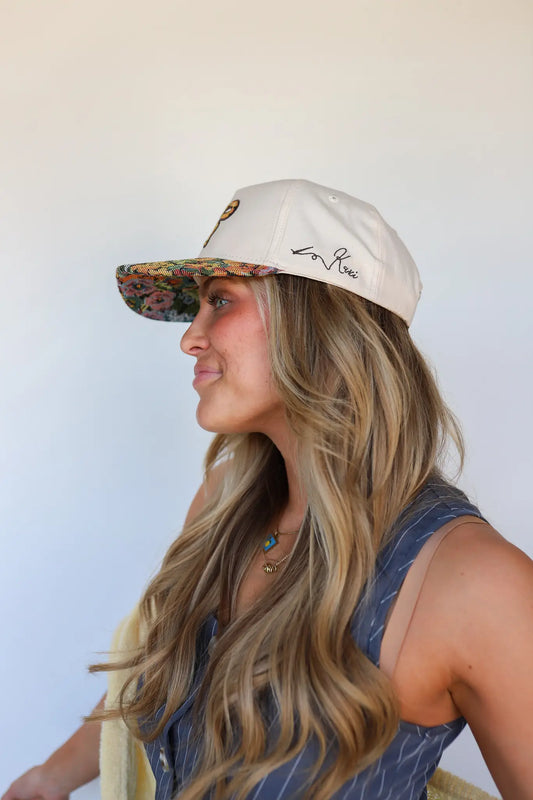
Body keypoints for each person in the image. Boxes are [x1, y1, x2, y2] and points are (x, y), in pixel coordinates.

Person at [3, 179, 533, 800]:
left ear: (322, 321)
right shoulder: (226, 502)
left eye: (220, 301)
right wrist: (48, 780)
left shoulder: (476, 583)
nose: (189, 338)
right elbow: (167, 668)